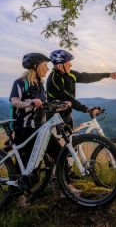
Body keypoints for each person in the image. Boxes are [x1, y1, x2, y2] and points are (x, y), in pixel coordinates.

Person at [9, 53, 63, 207]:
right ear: (36, 66)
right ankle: (18, 198)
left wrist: (59, 105)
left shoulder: (40, 85)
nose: (47, 69)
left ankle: (65, 188)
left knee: (60, 154)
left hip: (41, 129)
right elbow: (14, 101)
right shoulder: (20, 82)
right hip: (25, 129)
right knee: (24, 167)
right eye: (45, 65)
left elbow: (44, 105)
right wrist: (30, 103)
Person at [46, 49, 116, 126]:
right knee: (60, 138)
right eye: (67, 63)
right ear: (59, 66)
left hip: (67, 115)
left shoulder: (70, 74)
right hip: (55, 119)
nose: (71, 65)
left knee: (71, 137)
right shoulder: (54, 79)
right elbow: (68, 98)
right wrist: (87, 109)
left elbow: (87, 77)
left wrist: (107, 75)